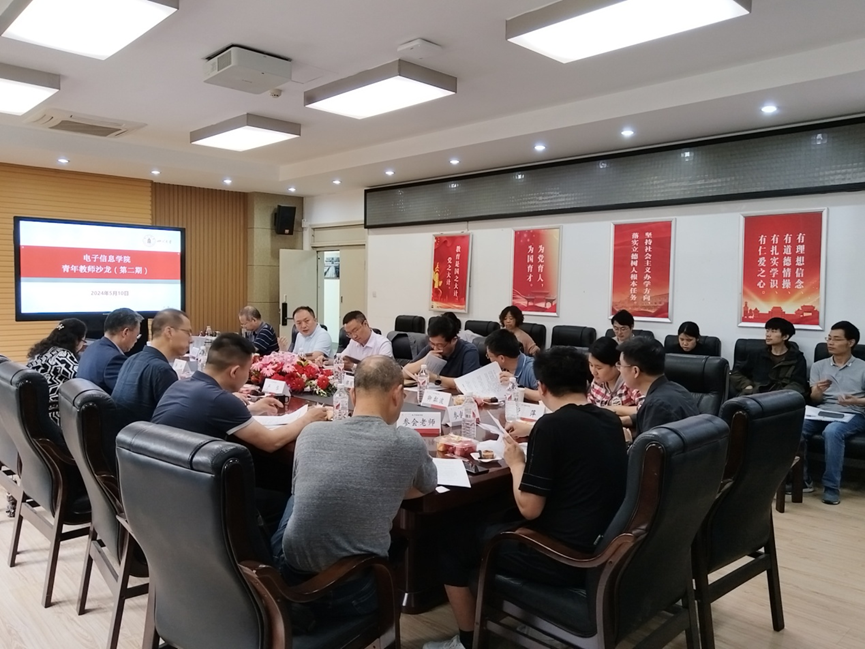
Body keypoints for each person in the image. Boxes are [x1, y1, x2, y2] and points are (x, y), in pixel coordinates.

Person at [424, 347, 628, 649]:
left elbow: (529, 509)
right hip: (602, 543)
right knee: (485, 518)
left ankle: (468, 642)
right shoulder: (609, 419)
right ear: (586, 382)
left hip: (563, 557)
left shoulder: (552, 426)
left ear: (542, 388)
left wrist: (516, 462)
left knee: (451, 541)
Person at [272, 356, 436, 620]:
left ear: (352, 394)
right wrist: (385, 484)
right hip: (351, 591)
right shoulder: (407, 442)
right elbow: (426, 486)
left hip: (288, 577)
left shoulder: (311, 433)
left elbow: (299, 487)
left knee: (294, 502)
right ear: (398, 394)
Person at [152, 334, 328, 531]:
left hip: (162, 486)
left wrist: (251, 410)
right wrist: (308, 418)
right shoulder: (220, 399)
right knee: (288, 499)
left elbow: (205, 412)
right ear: (235, 371)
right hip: (198, 497)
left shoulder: (179, 385)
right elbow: (271, 442)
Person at [801, 321, 865, 505]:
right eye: (829, 338)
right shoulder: (819, 366)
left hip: (853, 413)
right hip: (822, 411)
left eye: (836, 339)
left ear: (850, 342)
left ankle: (831, 488)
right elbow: (815, 399)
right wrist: (817, 391)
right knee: (797, 427)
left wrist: (855, 401)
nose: (830, 343)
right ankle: (802, 480)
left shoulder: (863, 367)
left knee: (832, 431)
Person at [112, 309, 191, 424]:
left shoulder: (131, 359)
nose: (191, 340)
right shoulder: (162, 371)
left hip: (125, 433)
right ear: (169, 332)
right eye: (188, 332)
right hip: (144, 434)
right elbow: (176, 422)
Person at [618, 337, 698, 437]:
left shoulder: (656, 405)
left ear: (635, 371)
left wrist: (627, 441)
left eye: (620, 365)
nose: (619, 370)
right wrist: (622, 420)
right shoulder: (677, 388)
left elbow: (649, 446)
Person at [26, 318, 87, 428]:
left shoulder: (41, 352)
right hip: (55, 416)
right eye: (83, 341)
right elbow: (83, 381)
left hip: (36, 412)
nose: (82, 346)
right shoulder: (62, 356)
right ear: (76, 340)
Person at [730, 317, 808, 396]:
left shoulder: (797, 358)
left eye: (773, 331)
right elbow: (736, 373)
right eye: (767, 331)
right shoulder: (757, 355)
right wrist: (747, 385)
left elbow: (798, 384)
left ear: (785, 336)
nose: (768, 334)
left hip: (782, 398)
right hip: (756, 396)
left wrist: (781, 395)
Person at [403, 315, 480, 390]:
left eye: (440, 345)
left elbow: (468, 383)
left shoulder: (469, 351)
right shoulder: (432, 347)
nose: (435, 348)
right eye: (432, 343)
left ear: (454, 340)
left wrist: (435, 378)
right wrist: (425, 360)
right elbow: (403, 373)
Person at [77, 308, 142, 392]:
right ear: (125, 332)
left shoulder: (92, 347)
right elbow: (129, 394)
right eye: (137, 335)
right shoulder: (114, 359)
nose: (136, 340)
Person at [588, 336, 644, 427]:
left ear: (616, 365)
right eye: (591, 365)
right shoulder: (597, 382)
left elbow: (645, 409)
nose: (593, 372)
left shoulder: (630, 382)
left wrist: (614, 409)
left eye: (599, 368)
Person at [484, 328, 540, 402]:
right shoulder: (501, 368)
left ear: (502, 358)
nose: (489, 359)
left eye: (489, 356)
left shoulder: (532, 368)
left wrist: (516, 386)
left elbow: (543, 396)